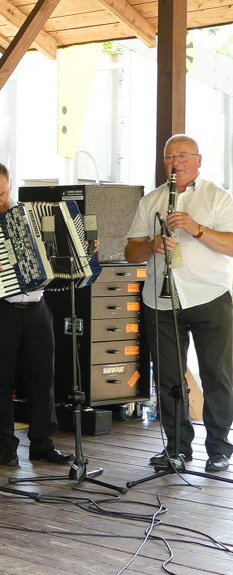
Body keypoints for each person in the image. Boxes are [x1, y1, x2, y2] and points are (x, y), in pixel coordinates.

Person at [125, 135, 233, 472]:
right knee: (169, 377)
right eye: (170, 157)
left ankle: (218, 448)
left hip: (209, 295)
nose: (177, 162)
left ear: (198, 160)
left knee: (218, 374)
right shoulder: (152, 200)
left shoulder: (219, 197)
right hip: (160, 298)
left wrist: (196, 228)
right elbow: (131, 252)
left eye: (184, 156)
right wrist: (152, 246)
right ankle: (177, 448)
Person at [0, 161, 73, 467]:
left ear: (9, 184)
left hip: (38, 305)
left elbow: (58, 250)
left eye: (1, 193)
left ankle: (42, 443)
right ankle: (6, 448)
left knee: (43, 378)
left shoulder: (31, 214)